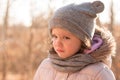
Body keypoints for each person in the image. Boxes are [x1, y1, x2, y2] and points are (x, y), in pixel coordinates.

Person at [34, 1, 116, 80]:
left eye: (66, 37)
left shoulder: (99, 73)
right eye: (55, 36)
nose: (57, 43)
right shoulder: (45, 66)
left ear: (83, 40)